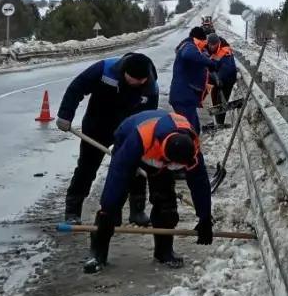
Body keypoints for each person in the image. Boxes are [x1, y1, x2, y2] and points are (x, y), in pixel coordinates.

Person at [83, 108, 214, 273]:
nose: (175, 168)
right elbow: (117, 176)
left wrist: (205, 218)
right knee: (115, 199)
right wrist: (108, 211)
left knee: (166, 201)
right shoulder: (138, 139)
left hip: (159, 150)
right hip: (130, 136)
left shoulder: (191, 148)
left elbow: (199, 182)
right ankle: (98, 253)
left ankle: (164, 252)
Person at [55, 51, 159, 224]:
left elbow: (148, 117)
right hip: (98, 125)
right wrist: (65, 115)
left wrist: (143, 140)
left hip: (130, 131)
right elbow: (76, 88)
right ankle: (72, 212)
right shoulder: (105, 69)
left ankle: (137, 211)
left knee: (137, 168)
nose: (136, 83)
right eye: (132, 79)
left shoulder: (150, 87)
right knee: (86, 169)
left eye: (140, 81)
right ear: (124, 72)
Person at [168, 26, 220, 134]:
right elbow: (190, 54)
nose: (204, 45)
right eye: (203, 41)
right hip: (182, 98)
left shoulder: (190, 46)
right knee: (188, 130)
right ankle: (184, 149)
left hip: (187, 98)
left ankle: (191, 148)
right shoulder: (189, 46)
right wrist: (210, 63)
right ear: (198, 39)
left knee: (195, 128)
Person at [206, 34, 238, 127]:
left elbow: (227, 70)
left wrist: (218, 78)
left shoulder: (225, 52)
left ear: (218, 43)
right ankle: (217, 120)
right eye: (210, 44)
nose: (211, 47)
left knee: (221, 102)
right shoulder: (210, 49)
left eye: (213, 45)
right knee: (214, 99)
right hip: (216, 79)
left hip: (227, 80)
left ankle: (220, 122)